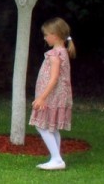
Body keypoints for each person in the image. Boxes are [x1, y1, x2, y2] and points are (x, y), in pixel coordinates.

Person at [29, 17, 76, 170]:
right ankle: (56, 158)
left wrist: (42, 97)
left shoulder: (55, 54)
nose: (44, 38)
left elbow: (54, 78)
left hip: (51, 96)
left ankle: (56, 159)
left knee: (41, 125)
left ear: (55, 35)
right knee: (52, 127)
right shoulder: (62, 52)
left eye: (46, 35)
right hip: (57, 96)